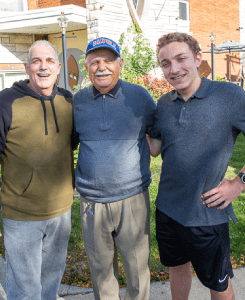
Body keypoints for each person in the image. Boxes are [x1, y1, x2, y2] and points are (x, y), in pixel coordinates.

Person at [147, 32, 245, 300]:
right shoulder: (164, 104)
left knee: (218, 284)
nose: (174, 69)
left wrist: (240, 182)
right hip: (167, 209)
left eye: (181, 59)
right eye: (166, 63)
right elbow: (155, 149)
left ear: (197, 58)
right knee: (177, 267)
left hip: (206, 212)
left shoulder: (229, 95)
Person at [0, 40, 77, 300]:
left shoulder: (68, 101)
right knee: (25, 289)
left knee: (52, 279)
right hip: (21, 216)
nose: (43, 67)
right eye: (36, 61)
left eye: (49, 61)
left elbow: (74, 144)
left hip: (61, 212)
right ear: (27, 68)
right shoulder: (5, 102)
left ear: (57, 67)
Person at [73, 37, 156, 300]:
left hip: (132, 199)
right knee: (100, 270)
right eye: (94, 62)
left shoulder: (140, 97)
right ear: (86, 67)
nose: (101, 67)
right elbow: (67, 144)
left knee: (137, 268)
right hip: (91, 202)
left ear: (120, 64)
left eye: (108, 60)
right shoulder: (77, 102)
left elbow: (160, 135)